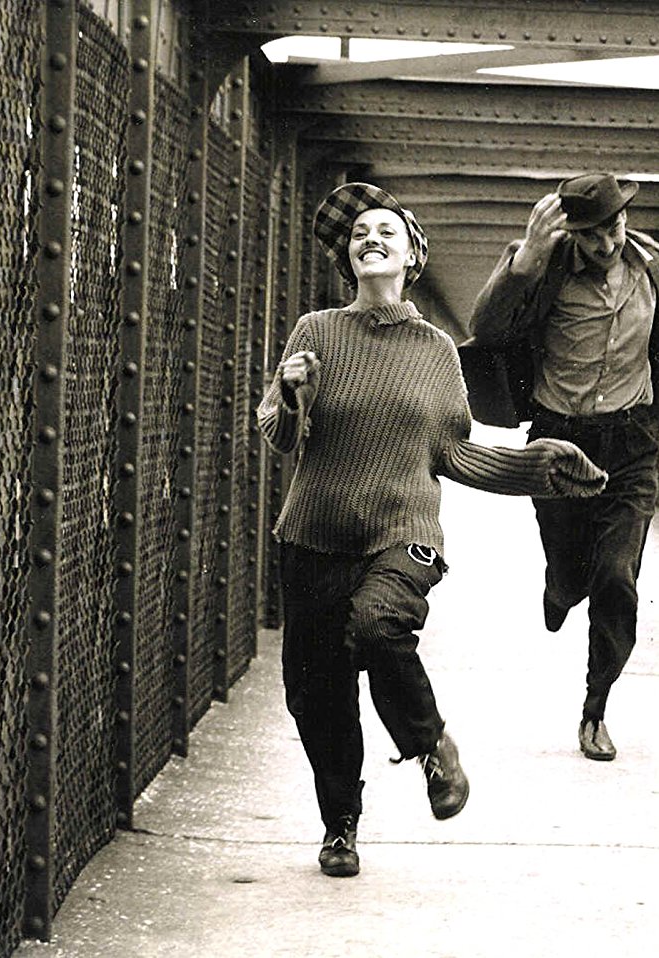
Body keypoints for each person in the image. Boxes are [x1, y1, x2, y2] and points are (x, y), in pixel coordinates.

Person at [258, 182, 607, 878]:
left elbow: (454, 452)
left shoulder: (438, 350)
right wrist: (291, 396)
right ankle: (340, 827)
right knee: (317, 697)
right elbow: (279, 432)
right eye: (359, 234)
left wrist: (534, 466)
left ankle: (431, 746)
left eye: (385, 230)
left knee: (377, 625)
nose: (370, 239)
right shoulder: (315, 332)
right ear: (348, 258)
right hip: (314, 535)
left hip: (403, 530)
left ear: (412, 256)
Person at [463, 173, 659, 761]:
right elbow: (486, 327)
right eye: (592, 235)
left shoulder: (654, 264)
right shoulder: (541, 263)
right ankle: (561, 584)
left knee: (616, 575)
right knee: (571, 564)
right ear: (572, 232)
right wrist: (524, 260)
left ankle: (595, 708)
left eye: (615, 228)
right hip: (557, 442)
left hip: (630, 442)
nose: (606, 244)